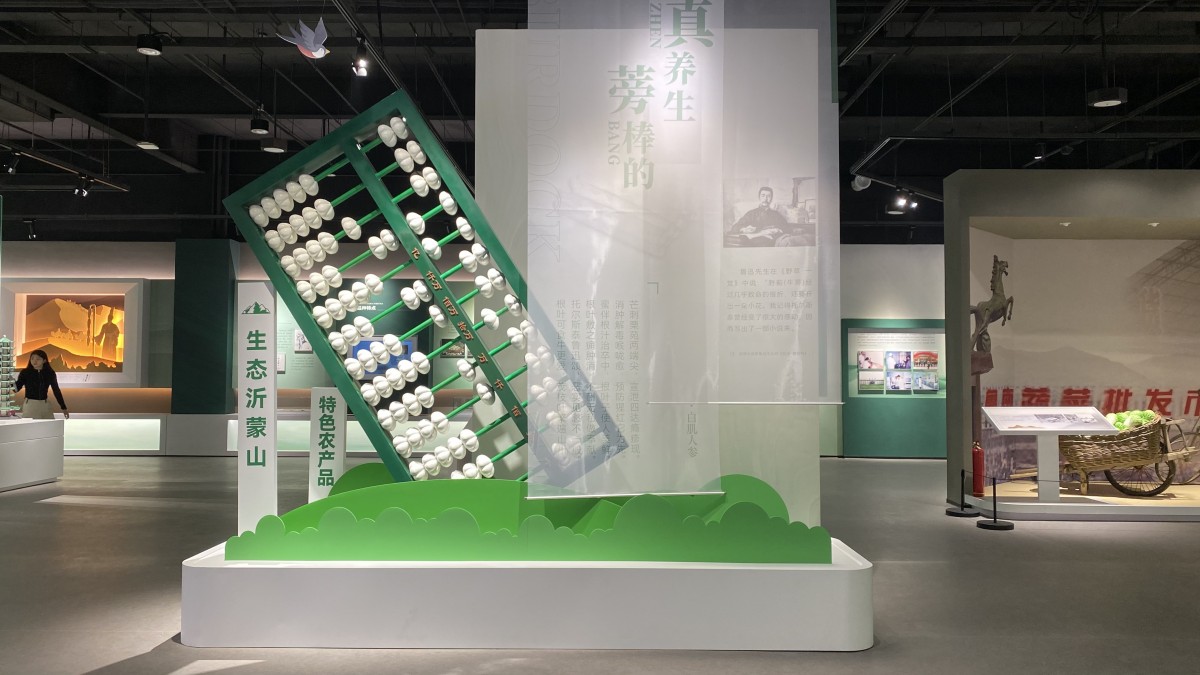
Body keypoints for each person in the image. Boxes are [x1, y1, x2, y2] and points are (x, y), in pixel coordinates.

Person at [14, 349, 69, 419]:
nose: (34, 361)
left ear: (44, 360)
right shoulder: (25, 372)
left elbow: (56, 390)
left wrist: (63, 407)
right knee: (31, 425)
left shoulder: (50, 373)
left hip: (45, 404)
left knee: (48, 425)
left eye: (38, 359)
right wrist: (10, 381)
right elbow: (16, 389)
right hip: (30, 404)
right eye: (32, 358)